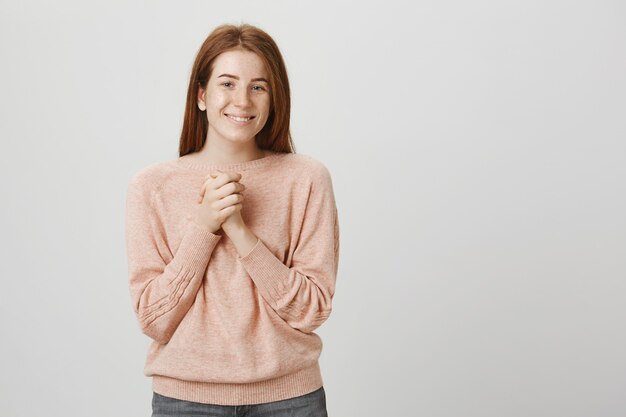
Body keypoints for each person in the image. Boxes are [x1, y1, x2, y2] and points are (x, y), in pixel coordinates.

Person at [125, 23, 340, 416]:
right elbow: (154, 318)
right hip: (186, 402)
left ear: (274, 99)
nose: (242, 100)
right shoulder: (151, 186)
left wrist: (240, 232)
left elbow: (312, 310)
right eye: (227, 84)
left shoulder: (307, 178)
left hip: (290, 400)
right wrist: (203, 228)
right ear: (202, 95)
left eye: (258, 87)